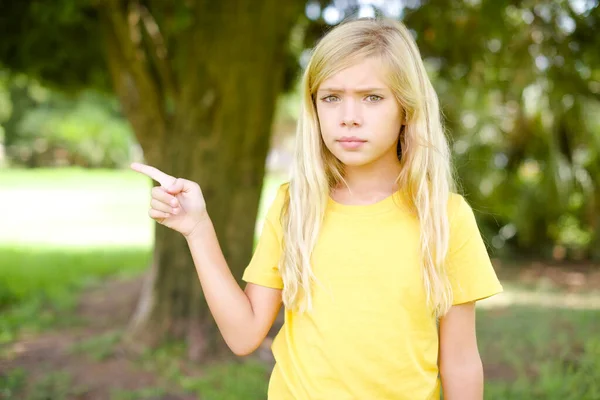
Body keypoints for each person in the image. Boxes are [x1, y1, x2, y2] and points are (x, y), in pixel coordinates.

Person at [131, 17, 503, 400]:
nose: (349, 116)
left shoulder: (445, 217)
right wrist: (198, 228)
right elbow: (243, 336)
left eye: (372, 97)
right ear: (315, 108)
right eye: (331, 97)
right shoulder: (295, 207)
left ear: (406, 107)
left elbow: (459, 362)